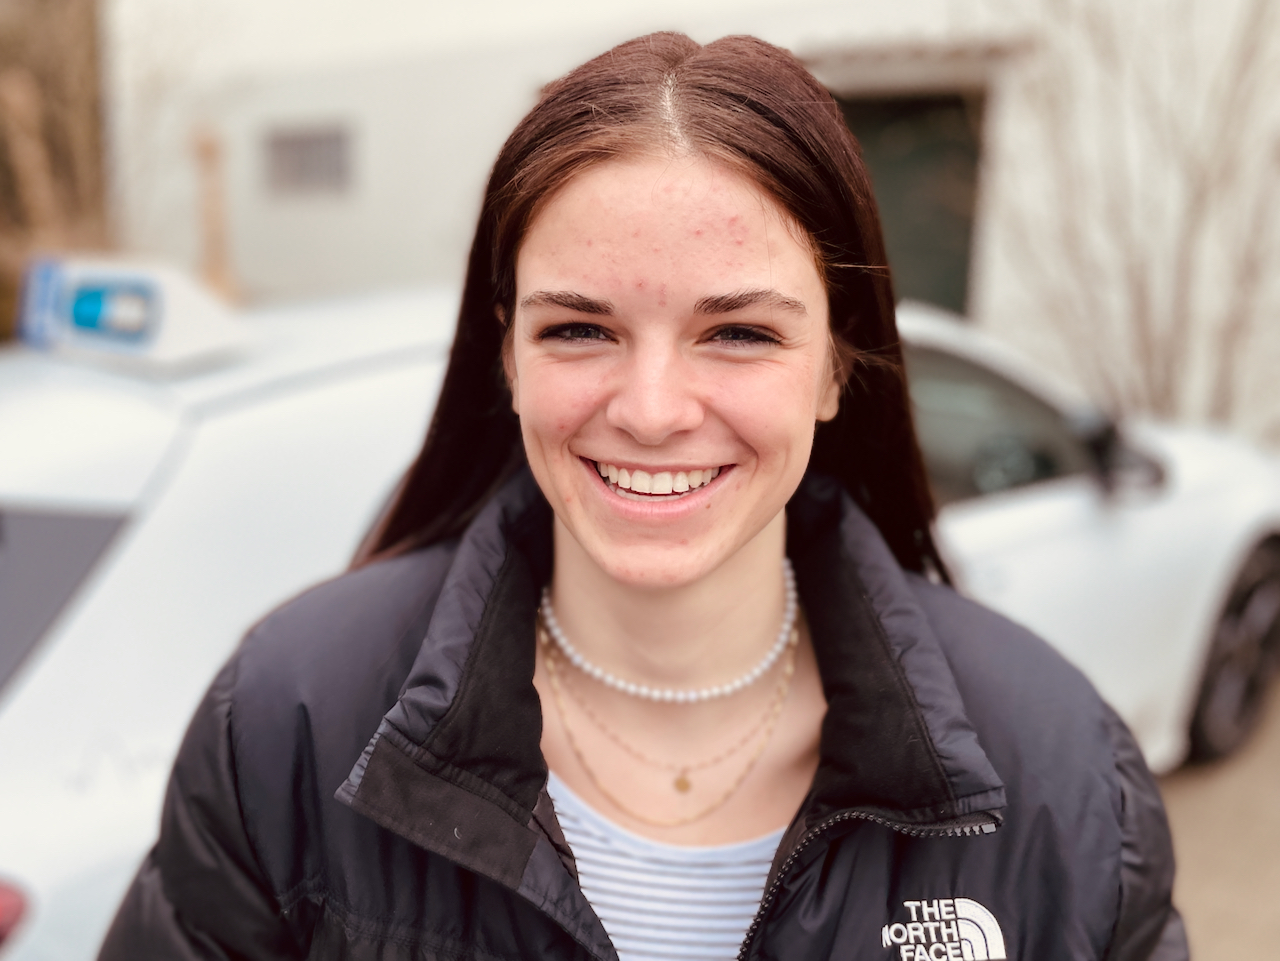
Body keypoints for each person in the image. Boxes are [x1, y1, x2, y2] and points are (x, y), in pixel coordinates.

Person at [100, 32, 1187, 961]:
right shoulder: (289, 721)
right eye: (579, 328)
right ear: (507, 357)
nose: (653, 410)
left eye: (739, 333)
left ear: (835, 369)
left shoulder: (1064, 776)